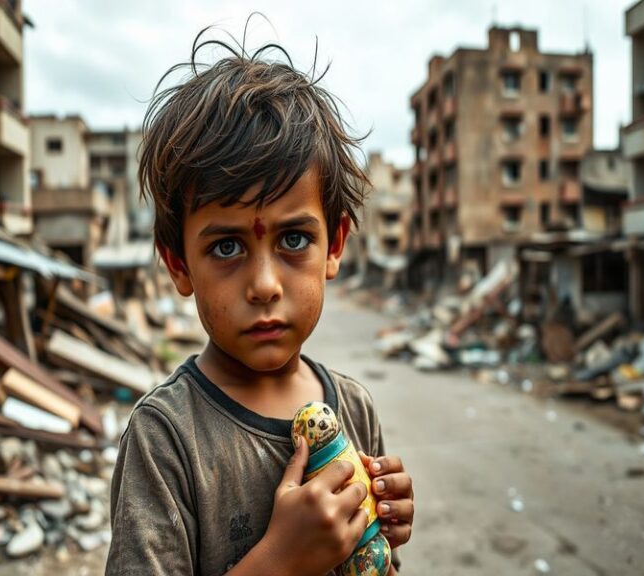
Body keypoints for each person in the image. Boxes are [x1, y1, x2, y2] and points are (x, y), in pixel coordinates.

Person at [105, 28, 414, 576]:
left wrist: (380, 525)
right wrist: (281, 560)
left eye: (294, 240)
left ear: (334, 246)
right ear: (179, 264)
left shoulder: (353, 407)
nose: (265, 284)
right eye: (227, 246)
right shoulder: (166, 439)